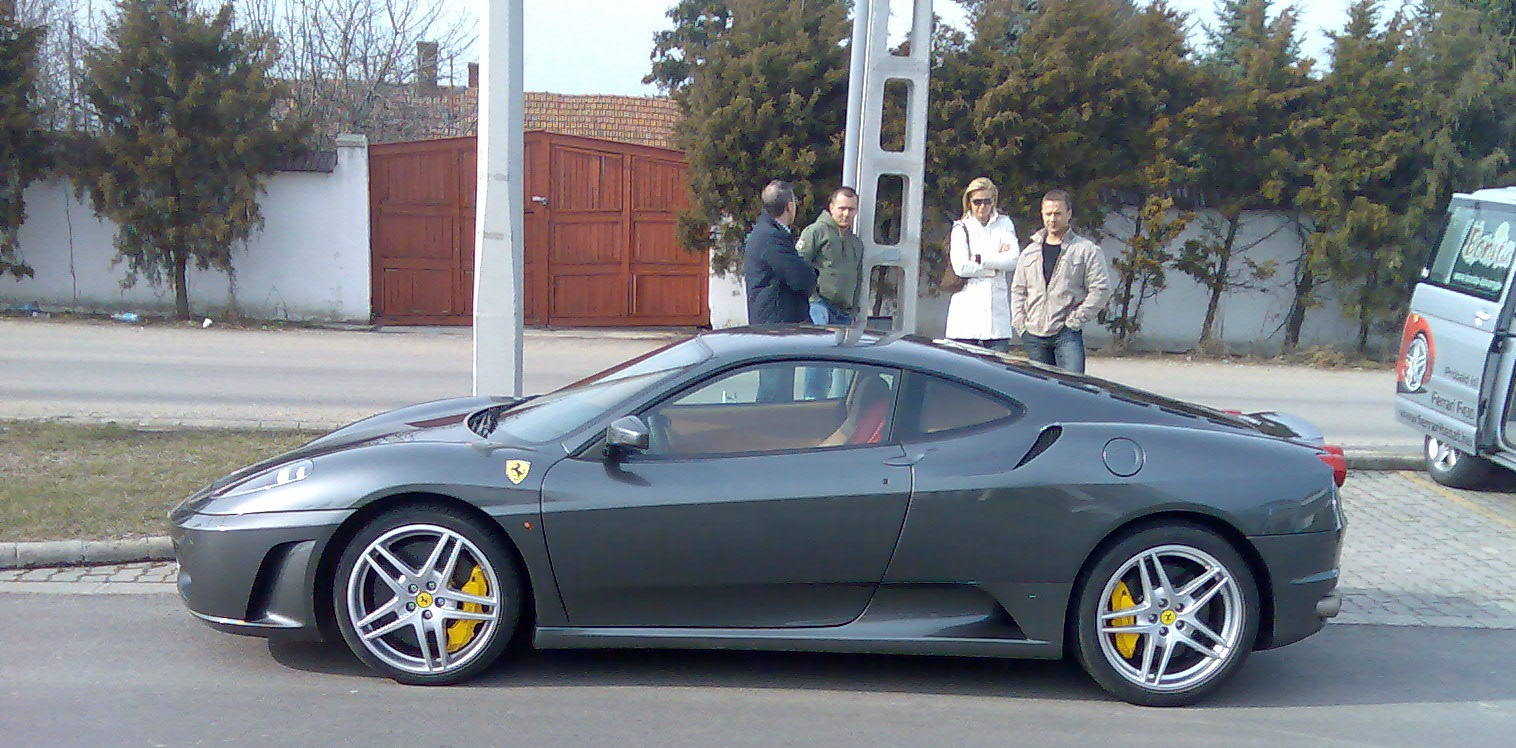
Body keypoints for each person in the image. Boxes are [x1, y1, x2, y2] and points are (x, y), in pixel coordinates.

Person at [1010, 189, 1113, 374]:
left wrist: (1074, 321)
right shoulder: (1030, 251)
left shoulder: (1086, 250)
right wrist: (1020, 325)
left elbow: (1101, 290)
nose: (1052, 219)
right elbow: (1018, 289)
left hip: (1066, 335)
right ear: (1042, 214)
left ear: (1069, 214)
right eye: (1048, 214)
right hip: (1033, 335)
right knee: (1039, 392)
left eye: (1057, 213)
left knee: (1072, 391)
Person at [944, 177, 1020, 352]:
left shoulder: (1004, 223)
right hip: (966, 314)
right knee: (961, 371)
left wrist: (979, 259)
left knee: (995, 372)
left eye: (987, 201)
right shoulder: (961, 228)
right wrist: (994, 267)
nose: (982, 207)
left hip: (996, 316)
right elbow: (961, 267)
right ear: (969, 202)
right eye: (977, 202)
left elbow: (1013, 259)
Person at [743, 180, 817, 325]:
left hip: (772, 322)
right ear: (789, 207)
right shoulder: (771, 237)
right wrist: (812, 272)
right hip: (777, 324)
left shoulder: (765, 231)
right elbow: (800, 278)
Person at [797, 186, 864, 326]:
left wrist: (854, 311)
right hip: (819, 307)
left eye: (851, 209)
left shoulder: (856, 243)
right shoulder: (815, 232)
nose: (846, 214)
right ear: (831, 207)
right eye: (842, 208)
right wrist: (812, 299)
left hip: (844, 314)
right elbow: (798, 266)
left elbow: (858, 280)